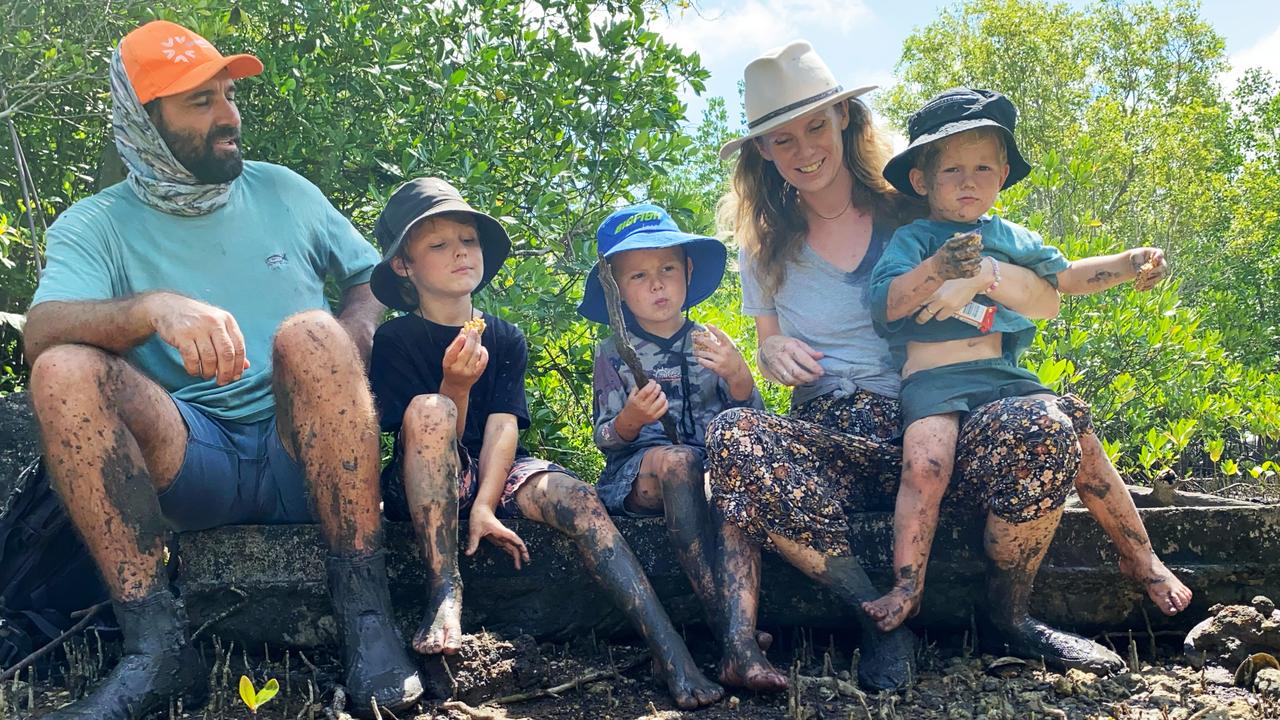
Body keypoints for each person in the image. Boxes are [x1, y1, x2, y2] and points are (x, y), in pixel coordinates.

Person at [705, 40, 1175, 688]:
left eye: (816, 125)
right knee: (731, 434)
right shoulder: (761, 248)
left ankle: (1012, 617)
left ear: (844, 119)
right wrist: (770, 349)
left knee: (1045, 423)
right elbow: (766, 341)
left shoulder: (916, 204)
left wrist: (987, 271)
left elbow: (1044, 293)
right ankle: (880, 619)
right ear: (763, 151)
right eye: (782, 140)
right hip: (833, 430)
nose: (804, 148)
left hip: (935, 411)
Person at [23, 21, 423, 719]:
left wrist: (356, 329)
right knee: (61, 366)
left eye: (228, 95)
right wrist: (152, 308)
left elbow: (371, 274)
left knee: (311, 331)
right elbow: (43, 329)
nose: (229, 117)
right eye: (199, 103)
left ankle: (369, 621)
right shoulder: (95, 225)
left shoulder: (283, 191)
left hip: (304, 452)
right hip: (191, 460)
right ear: (145, 122)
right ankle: (158, 648)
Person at [367, 180, 724, 710]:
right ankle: (446, 590)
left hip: (490, 470)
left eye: (468, 239)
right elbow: (428, 439)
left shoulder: (504, 336)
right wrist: (456, 386)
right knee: (433, 408)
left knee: (577, 496)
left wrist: (487, 505)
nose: (461, 252)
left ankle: (667, 645)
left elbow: (503, 426)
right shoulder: (395, 339)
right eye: (438, 246)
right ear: (404, 266)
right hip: (421, 483)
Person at [861, 87, 1192, 632]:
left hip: (1002, 374)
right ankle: (907, 584)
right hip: (931, 378)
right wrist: (938, 269)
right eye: (953, 171)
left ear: (1003, 175)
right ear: (922, 181)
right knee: (925, 463)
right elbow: (885, 305)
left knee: (1079, 434)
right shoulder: (912, 238)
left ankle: (1141, 555)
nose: (969, 182)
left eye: (984, 169)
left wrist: (1131, 263)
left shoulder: (1011, 237)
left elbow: (1068, 277)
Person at [579, 204, 785, 692]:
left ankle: (736, 637)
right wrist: (630, 420)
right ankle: (732, 633)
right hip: (642, 477)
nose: (657, 285)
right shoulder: (613, 353)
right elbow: (605, 437)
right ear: (617, 291)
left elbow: (750, 418)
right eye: (639, 276)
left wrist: (738, 375)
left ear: (688, 273)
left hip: (710, 474)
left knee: (729, 478)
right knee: (677, 460)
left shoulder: (709, 342)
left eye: (668, 269)